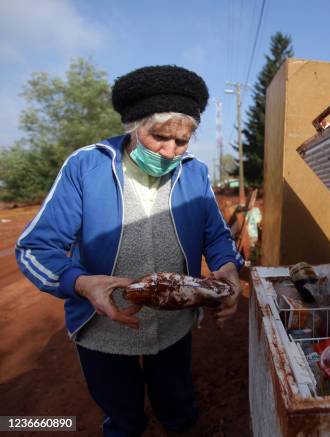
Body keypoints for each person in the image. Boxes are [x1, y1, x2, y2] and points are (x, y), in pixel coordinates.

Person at [15, 65, 244, 436]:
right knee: (123, 417)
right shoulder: (85, 167)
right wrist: (81, 283)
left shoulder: (195, 172)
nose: (170, 152)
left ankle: (178, 419)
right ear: (133, 127)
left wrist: (228, 267)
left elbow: (216, 234)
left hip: (174, 323)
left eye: (182, 142)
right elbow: (35, 248)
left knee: (178, 406)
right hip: (103, 326)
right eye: (160, 137)